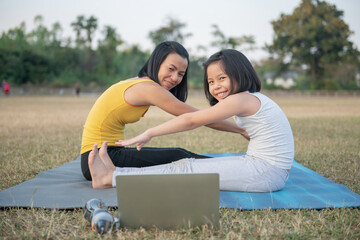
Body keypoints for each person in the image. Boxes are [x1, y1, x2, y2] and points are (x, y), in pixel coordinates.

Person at [88, 49, 294, 192]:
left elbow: (191, 120)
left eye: (222, 78)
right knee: (187, 165)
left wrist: (149, 132)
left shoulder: (241, 100)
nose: (215, 86)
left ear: (241, 73)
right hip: (266, 169)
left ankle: (110, 179)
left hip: (266, 173)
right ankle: (118, 174)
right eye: (211, 81)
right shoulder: (250, 98)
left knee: (187, 169)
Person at [81, 42, 246, 180]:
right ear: (156, 63)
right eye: (171, 69)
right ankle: (235, 172)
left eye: (181, 74)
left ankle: (231, 170)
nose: (175, 78)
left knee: (178, 154)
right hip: (99, 160)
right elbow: (198, 118)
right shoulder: (148, 88)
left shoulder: (141, 83)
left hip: (104, 154)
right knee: (179, 156)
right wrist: (240, 130)